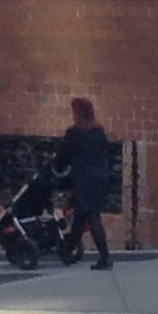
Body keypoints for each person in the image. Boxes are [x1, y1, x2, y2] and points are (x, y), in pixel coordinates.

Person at [55, 97, 113, 271]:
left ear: (78, 113)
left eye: (74, 111)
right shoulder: (99, 130)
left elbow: (63, 156)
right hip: (101, 177)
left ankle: (105, 257)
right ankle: (68, 249)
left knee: (93, 215)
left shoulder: (74, 133)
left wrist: (57, 167)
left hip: (84, 179)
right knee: (81, 214)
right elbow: (104, 151)